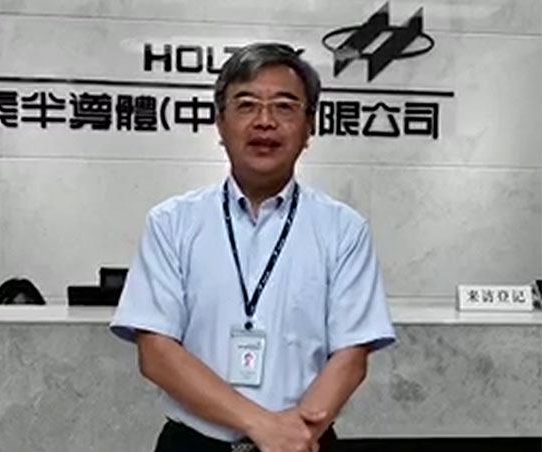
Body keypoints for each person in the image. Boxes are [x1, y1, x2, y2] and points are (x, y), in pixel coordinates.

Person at [110, 42, 396, 452]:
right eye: (246, 105)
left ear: (310, 127)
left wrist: (293, 436)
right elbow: (155, 352)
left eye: (284, 107)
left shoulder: (344, 229)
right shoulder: (171, 222)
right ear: (220, 123)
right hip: (195, 444)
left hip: (303, 442)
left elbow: (352, 354)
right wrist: (262, 425)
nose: (265, 122)